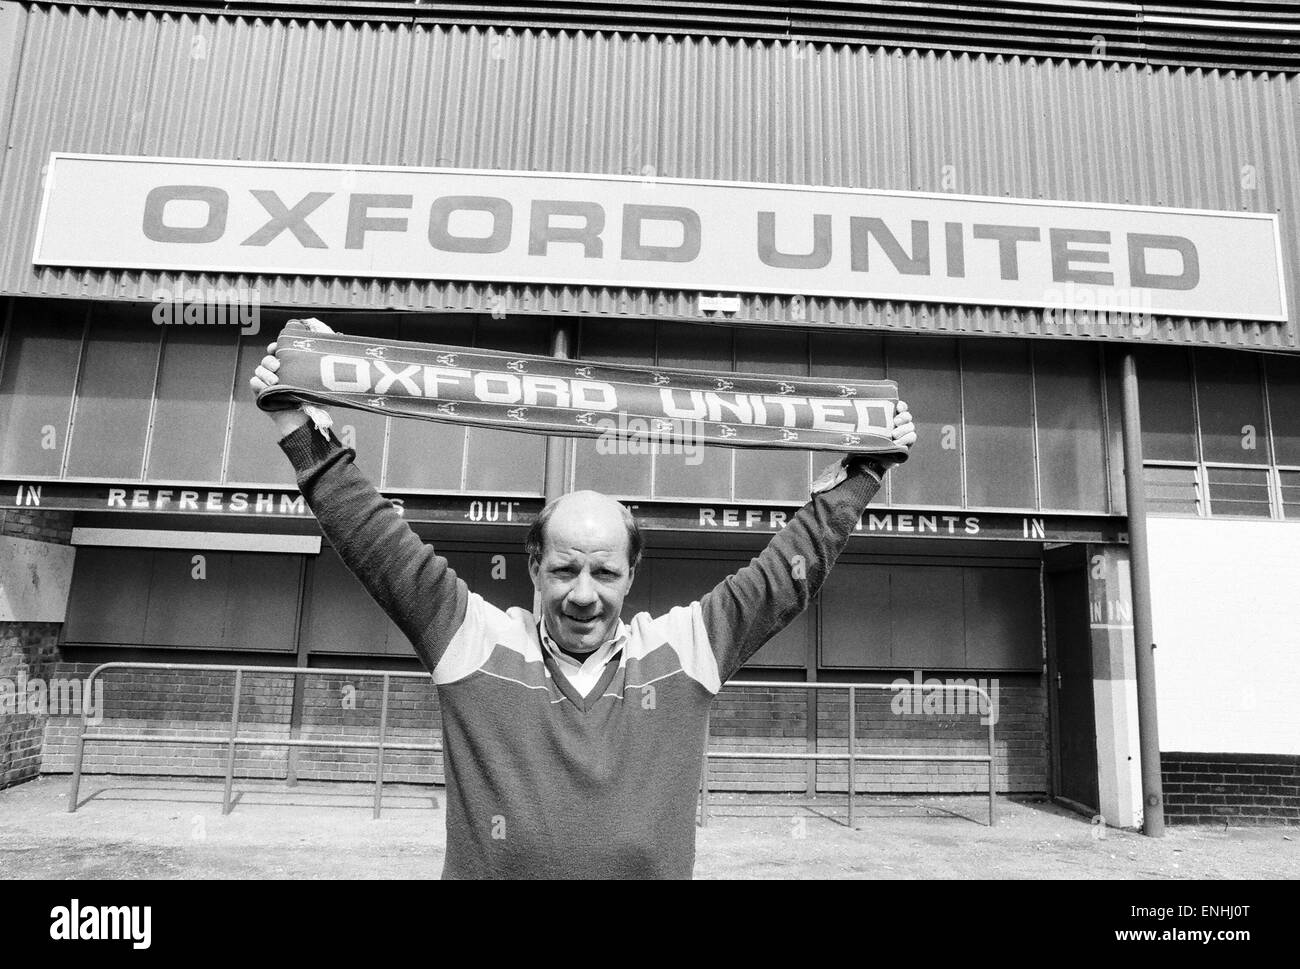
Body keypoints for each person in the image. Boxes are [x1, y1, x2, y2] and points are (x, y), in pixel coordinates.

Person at [250, 320, 916, 879]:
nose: (584, 594)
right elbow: (380, 546)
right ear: (534, 566)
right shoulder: (474, 643)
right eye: (566, 569)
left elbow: (783, 578)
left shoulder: (681, 652)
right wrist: (299, 429)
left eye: (604, 572)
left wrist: (862, 474)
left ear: (631, 576)